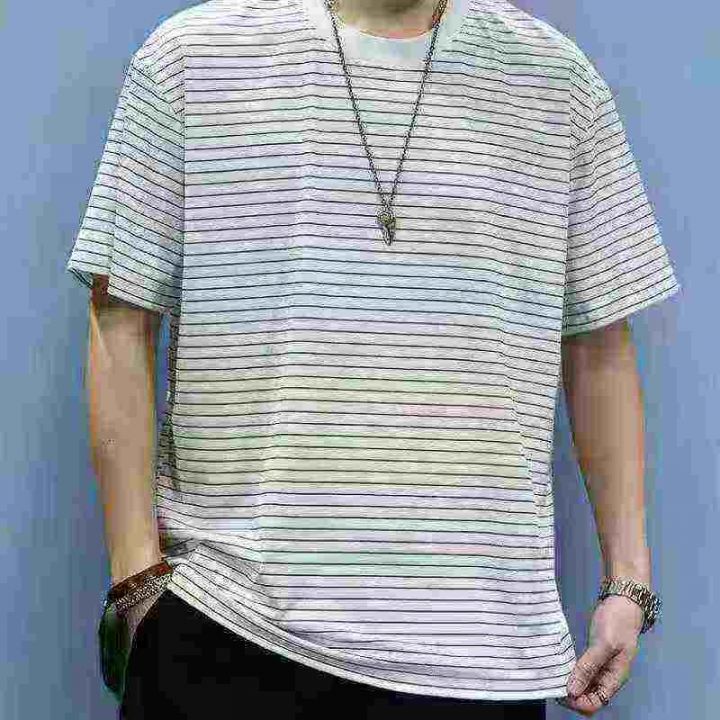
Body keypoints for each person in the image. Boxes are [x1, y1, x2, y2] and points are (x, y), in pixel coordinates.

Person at [65, 1, 681, 718]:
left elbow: (599, 341)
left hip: (478, 658)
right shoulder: (191, 60)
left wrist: (627, 580)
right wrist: (135, 582)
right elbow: (120, 312)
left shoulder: (557, 82)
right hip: (229, 628)